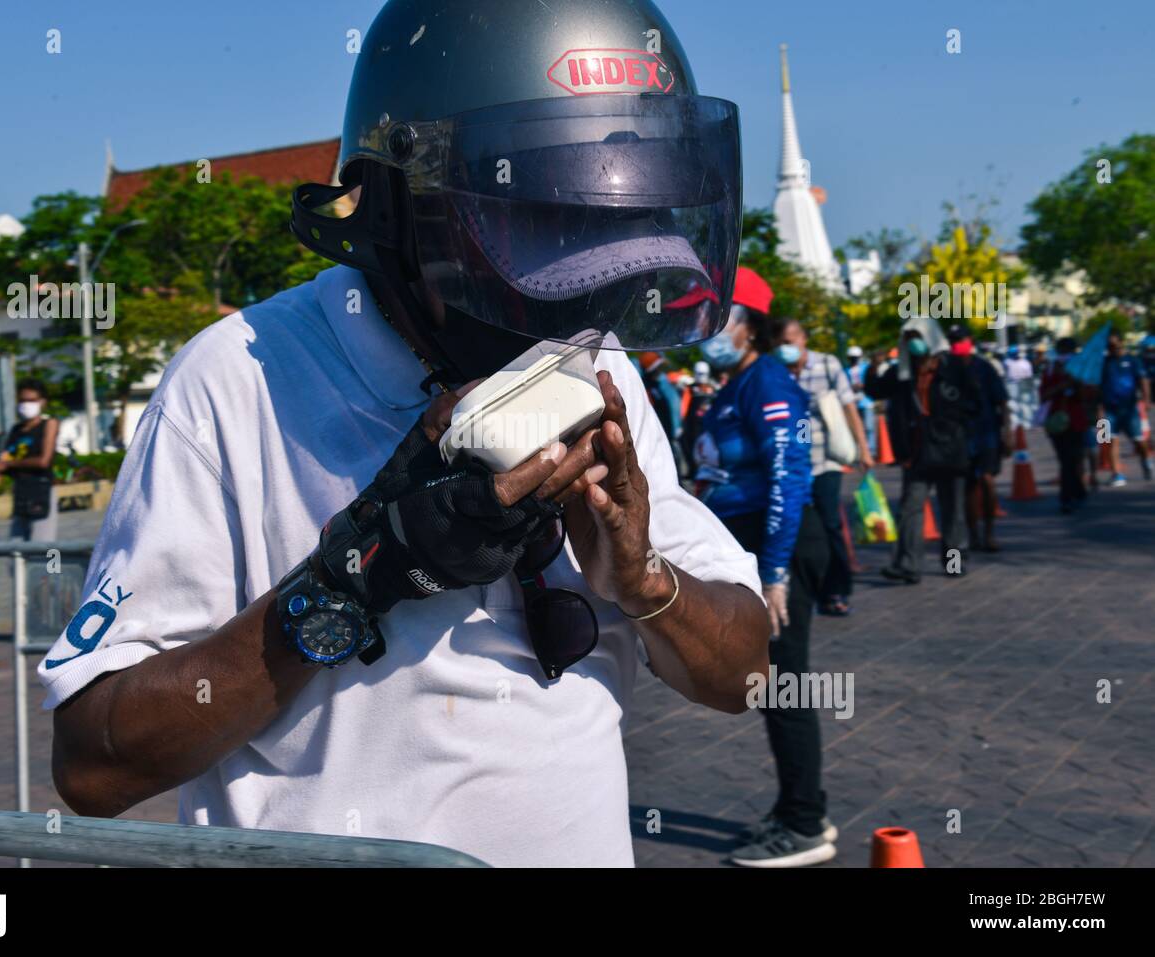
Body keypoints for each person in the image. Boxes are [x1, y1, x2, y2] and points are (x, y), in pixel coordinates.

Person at [39, 0, 771, 869]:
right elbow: (94, 761)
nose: (563, 323)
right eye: (534, 253)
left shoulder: (592, 363)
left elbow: (744, 675)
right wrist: (358, 575)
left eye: (603, 254)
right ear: (394, 211)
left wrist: (642, 576)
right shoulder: (240, 378)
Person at [694, 268, 835, 867]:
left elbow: (789, 476)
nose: (703, 329)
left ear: (749, 323)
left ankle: (805, 825)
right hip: (752, 546)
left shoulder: (768, 383)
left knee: (786, 687)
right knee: (773, 687)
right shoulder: (735, 383)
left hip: (782, 546)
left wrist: (774, 572)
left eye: (715, 316)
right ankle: (796, 809)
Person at [866, 318, 981, 583]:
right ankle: (908, 565)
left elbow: (975, 402)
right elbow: (875, 391)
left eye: (917, 336)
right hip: (916, 452)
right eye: (908, 338)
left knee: (953, 511)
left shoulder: (953, 367)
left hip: (951, 450)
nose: (914, 343)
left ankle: (954, 563)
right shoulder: (903, 371)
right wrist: (874, 367)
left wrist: (954, 424)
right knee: (910, 509)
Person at [778, 321, 873, 616]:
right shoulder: (776, 370)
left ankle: (836, 589)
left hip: (825, 460)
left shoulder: (828, 365)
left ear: (804, 338)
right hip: (792, 462)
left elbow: (848, 407)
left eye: (791, 339)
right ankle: (802, 588)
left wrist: (863, 448)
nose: (786, 346)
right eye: (782, 341)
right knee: (800, 526)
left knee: (830, 522)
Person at [0, 379, 60, 541]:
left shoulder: (49, 424)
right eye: (22, 400)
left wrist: (10, 464)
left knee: (40, 549)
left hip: (41, 491)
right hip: (21, 493)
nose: (26, 405)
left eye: (31, 401)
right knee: (16, 551)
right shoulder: (16, 430)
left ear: (42, 402)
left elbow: (43, 461)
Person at [948, 327, 1010, 552]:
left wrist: (1008, 433)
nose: (956, 345)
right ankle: (973, 535)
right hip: (960, 434)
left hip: (987, 431)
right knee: (968, 487)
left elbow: (1002, 401)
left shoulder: (984, 367)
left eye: (960, 340)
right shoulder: (947, 369)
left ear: (969, 341)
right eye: (953, 341)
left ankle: (990, 533)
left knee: (987, 480)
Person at [1039, 337, 1089, 512]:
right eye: (1062, 352)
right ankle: (1068, 497)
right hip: (1057, 423)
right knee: (1066, 460)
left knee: (1076, 458)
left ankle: (1077, 492)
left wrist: (1076, 382)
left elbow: (1088, 396)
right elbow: (1043, 396)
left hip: (1078, 422)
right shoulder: (1051, 370)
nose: (1065, 356)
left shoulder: (1082, 370)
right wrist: (1062, 385)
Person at [1099, 332, 1152, 484]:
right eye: (1108, 346)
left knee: (1139, 440)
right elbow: (1097, 386)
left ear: (1121, 343)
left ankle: (1146, 460)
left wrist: (1146, 400)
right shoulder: (1104, 363)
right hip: (1108, 409)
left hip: (1129, 409)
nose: (1111, 349)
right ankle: (1117, 474)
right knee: (1107, 440)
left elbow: (1143, 380)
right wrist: (1097, 408)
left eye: (1114, 345)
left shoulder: (1133, 360)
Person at [639, 351, 688, 479]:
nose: (661, 371)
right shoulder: (646, 388)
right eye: (658, 367)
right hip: (657, 439)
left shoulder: (660, 385)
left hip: (668, 436)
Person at [1004, 344, 1036, 430]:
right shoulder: (1024, 362)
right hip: (1014, 384)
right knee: (1016, 404)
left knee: (1021, 404)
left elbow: (1030, 376)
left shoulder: (1007, 362)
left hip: (1018, 383)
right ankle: (1022, 424)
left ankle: (1023, 424)